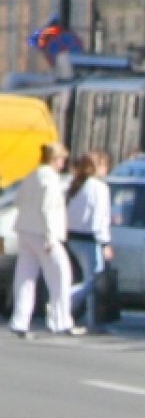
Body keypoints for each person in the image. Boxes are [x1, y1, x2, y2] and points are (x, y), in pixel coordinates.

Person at [9, 142, 74, 338]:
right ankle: (60, 321)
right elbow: (47, 208)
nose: (63, 164)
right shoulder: (50, 179)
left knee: (25, 278)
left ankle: (20, 321)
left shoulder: (32, 175)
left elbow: (17, 200)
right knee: (61, 275)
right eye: (62, 159)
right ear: (55, 159)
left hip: (25, 230)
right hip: (44, 234)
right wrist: (50, 236)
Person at [66, 151, 114, 334]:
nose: (106, 168)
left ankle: (94, 321)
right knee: (94, 281)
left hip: (73, 237)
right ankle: (64, 301)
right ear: (96, 167)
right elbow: (100, 217)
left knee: (91, 280)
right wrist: (105, 242)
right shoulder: (99, 187)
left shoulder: (77, 185)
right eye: (103, 165)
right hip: (91, 238)